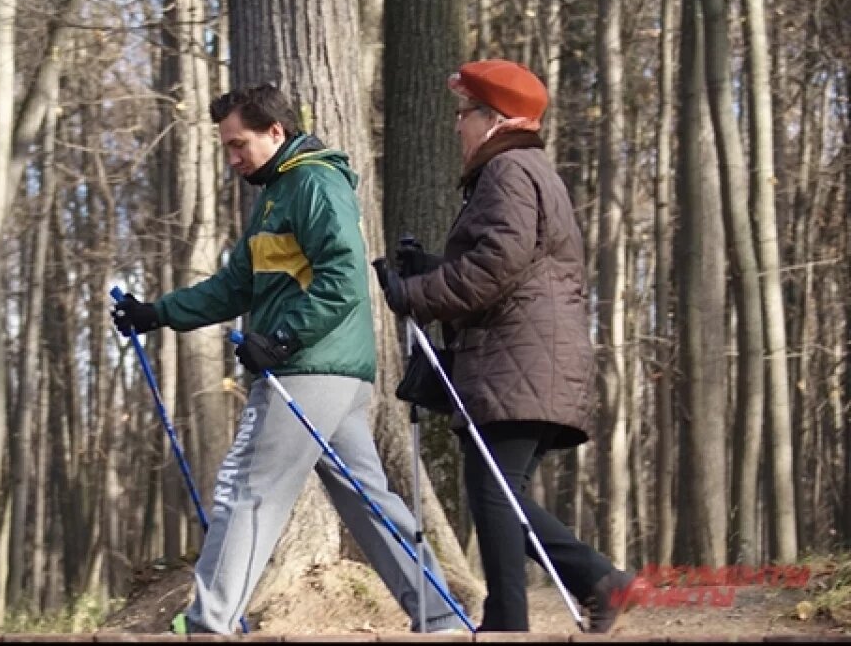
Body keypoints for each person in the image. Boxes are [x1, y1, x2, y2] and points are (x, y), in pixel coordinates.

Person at [112, 83, 466, 635]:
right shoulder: (277, 194)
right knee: (368, 501)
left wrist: (281, 339)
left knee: (247, 488)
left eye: (239, 144)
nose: (232, 158)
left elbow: (344, 281)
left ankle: (209, 622)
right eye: (226, 146)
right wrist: (157, 313)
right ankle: (440, 616)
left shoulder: (314, 185)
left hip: (308, 369)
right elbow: (236, 286)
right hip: (332, 373)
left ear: (275, 132)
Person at [373, 59, 644, 633]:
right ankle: (570, 592)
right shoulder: (525, 171)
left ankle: (526, 614)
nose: (456, 126)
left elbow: (498, 265)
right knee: (500, 494)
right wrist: (431, 269)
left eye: (464, 113)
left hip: (517, 362)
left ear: (493, 120)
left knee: (494, 495)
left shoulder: (510, 172)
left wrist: (413, 293)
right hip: (528, 361)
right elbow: (510, 262)